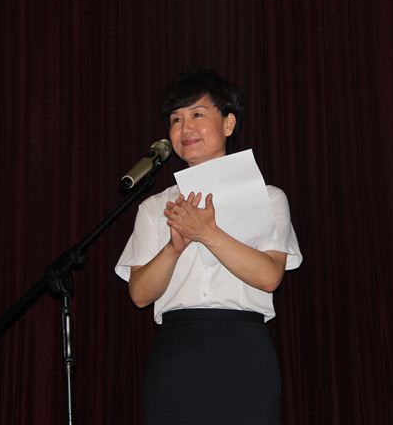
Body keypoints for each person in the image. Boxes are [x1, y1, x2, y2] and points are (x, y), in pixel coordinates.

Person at [115, 69, 302, 424]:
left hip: (243, 348)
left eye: (197, 114)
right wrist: (174, 248)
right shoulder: (155, 207)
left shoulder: (267, 198)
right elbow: (139, 295)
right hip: (176, 351)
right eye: (176, 119)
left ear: (228, 124)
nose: (185, 128)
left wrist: (206, 232)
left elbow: (269, 277)